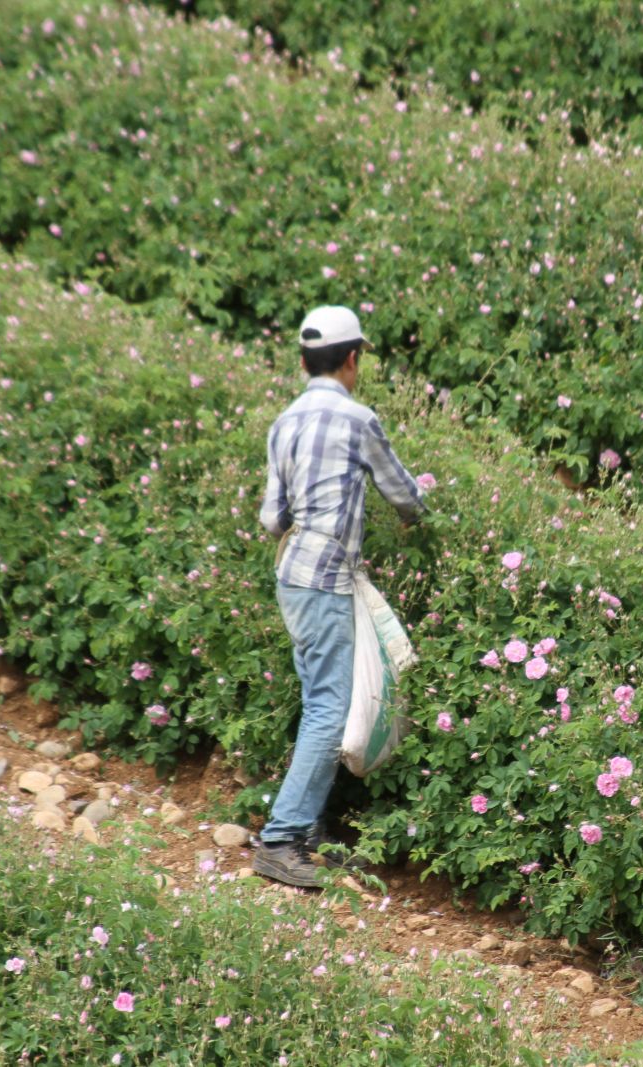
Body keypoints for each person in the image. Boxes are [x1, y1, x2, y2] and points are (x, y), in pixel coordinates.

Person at [253, 305, 426, 888]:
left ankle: (305, 829)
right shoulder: (358, 420)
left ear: (303, 362)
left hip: (292, 576)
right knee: (330, 707)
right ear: (353, 359)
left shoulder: (283, 423)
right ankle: (281, 839)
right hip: (327, 578)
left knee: (318, 702)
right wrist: (416, 520)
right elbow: (402, 491)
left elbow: (273, 518)